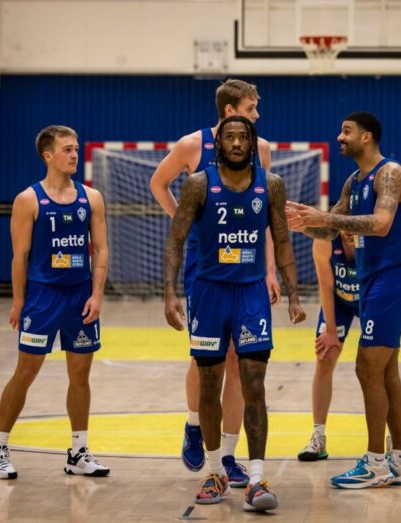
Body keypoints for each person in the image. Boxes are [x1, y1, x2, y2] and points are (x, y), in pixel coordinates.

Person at [163, 116, 306, 511]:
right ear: (219, 143)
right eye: (230, 137)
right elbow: (175, 240)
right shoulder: (198, 184)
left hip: (250, 294)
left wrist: (294, 295)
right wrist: (170, 293)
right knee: (209, 386)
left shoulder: (271, 185)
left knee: (253, 384)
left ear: (252, 143)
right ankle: (215, 473)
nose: (238, 142)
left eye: (244, 137)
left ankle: (257, 480)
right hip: (208, 293)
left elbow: (282, 240)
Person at [150, 78, 280, 487]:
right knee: (207, 357)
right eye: (252, 107)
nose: (257, 114)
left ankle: (229, 454)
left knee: (241, 362)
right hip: (205, 263)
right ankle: (194, 424)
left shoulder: (261, 149)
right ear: (230, 111)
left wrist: (271, 269)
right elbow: (157, 182)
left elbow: (264, 216)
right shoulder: (191, 145)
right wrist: (187, 222)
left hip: (248, 265)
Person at [286, 112, 401, 489]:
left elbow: (381, 224)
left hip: (392, 280)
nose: (339, 137)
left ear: (367, 136)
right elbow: (328, 230)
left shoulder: (389, 174)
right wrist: (301, 222)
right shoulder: (353, 181)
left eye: (347, 131)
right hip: (374, 281)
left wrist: (325, 220)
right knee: (386, 372)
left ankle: (375, 462)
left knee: (367, 367)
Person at [0, 125, 110, 479]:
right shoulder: (28, 200)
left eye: (76, 148)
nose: (74, 154)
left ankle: (78, 452)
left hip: (80, 296)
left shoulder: (92, 198)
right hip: (42, 298)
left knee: (80, 375)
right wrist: (18, 302)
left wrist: (97, 294)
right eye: (67, 149)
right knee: (25, 372)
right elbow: (20, 257)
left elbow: (101, 249)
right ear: (48, 155)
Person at [297, 232, 360, 462]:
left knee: (377, 364)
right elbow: (325, 285)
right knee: (324, 357)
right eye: (345, 226)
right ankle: (318, 437)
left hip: (371, 298)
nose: (350, 232)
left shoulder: (372, 236)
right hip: (339, 301)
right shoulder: (324, 239)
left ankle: (390, 440)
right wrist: (331, 331)